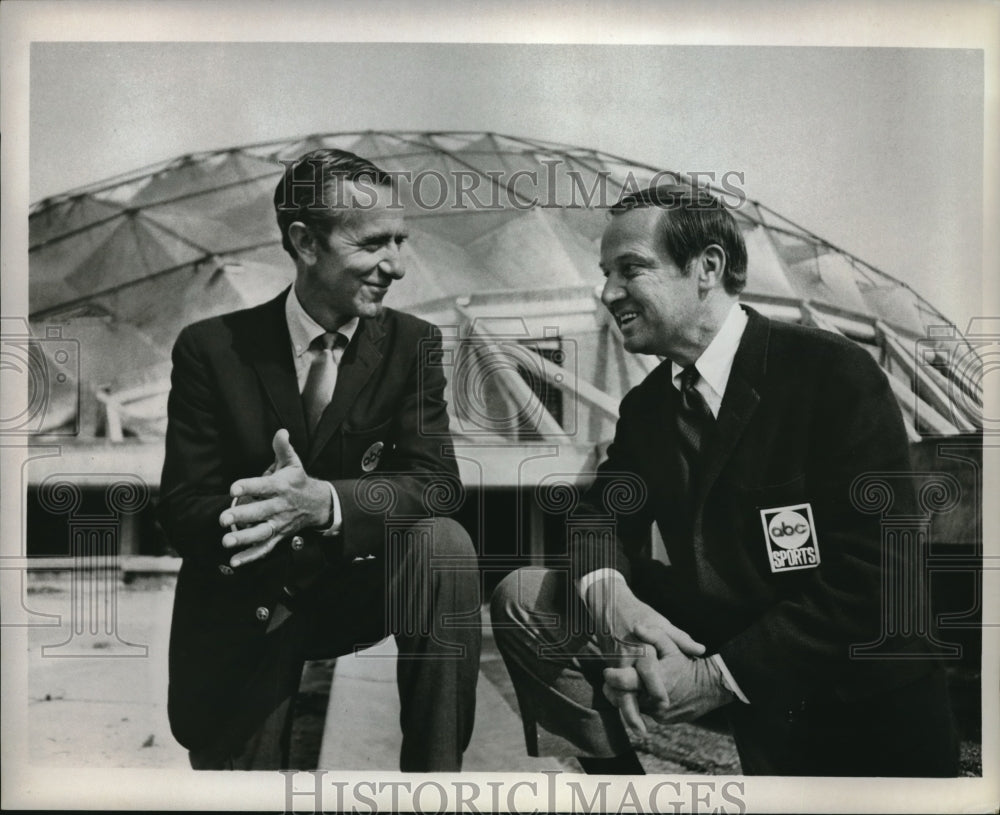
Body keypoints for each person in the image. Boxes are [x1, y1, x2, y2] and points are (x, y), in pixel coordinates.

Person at [491, 183, 959, 776]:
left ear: (707, 266)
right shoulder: (648, 408)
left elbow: (876, 577)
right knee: (528, 598)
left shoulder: (829, 374)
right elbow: (599, 518)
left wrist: (715, 677)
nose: (608, 292)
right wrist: (616, 602)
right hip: (729, 642)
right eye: (606, 272)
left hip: (859, 705)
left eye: (630, 269)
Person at [158, 148, 481, 771]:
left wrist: (325, 505)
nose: (398, 266)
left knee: (444, 543)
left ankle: (435, 785)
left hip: (357, 585)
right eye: (374, 244)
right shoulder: (211, 349)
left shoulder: (413, 344)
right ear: (306, 243)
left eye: (401, 241)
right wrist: (268, 512)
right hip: (250, 593)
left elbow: (437, 485)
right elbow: (182, 508)